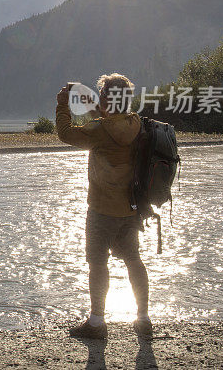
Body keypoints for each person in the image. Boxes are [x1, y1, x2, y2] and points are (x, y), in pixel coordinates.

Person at [55, 73, 153, 339]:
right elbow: (109, 117)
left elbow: (65, 134)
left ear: (108, 98)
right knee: (134, 260)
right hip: (131, 209)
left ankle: (97, 322)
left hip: (101, 210)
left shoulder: (99, 130)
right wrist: (82, 93)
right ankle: (143, 318)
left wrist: (63, 103)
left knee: (98, 264)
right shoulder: (134, 123)